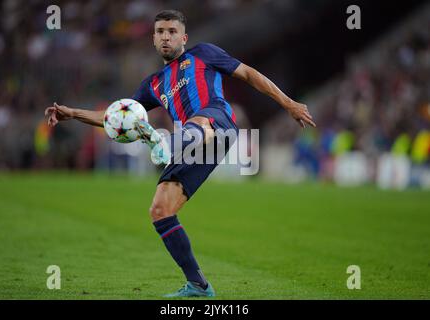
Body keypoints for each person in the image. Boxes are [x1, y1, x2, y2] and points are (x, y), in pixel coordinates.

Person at [45, 9, 316, 297]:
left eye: (172, 31)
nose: (166, 36)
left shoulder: (204, 54)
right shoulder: (152, 84)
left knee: (198, 122)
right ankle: (199, 285)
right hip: (192, 146)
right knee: (160, 211)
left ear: (183, 37)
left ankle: (166, 143)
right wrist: (72, 113)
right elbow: (113, 117)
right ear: (153, 38)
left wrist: (288, 103)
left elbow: (248, 73)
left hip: (217, 121)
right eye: (160, 31)